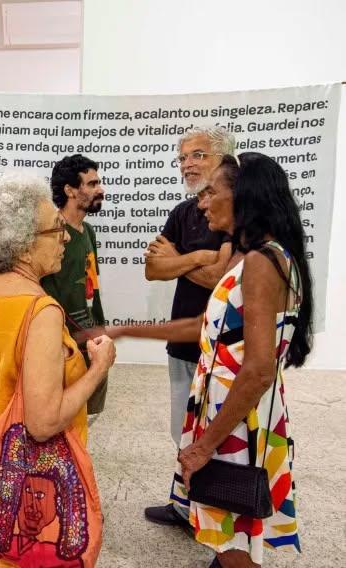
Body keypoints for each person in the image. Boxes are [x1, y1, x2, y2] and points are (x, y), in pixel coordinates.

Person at [109, 153, 312, 567]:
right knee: (231, 537)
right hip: (233, 416)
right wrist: (128, 329)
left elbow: (257, 369)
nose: (202, 204)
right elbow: (208, 327)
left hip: (237, 424)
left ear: (242, 196)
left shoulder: (259, 263)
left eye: (212, 192)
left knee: (234, 536)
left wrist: (204, 446)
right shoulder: (255, 257)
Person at [0, 172, 116, 567]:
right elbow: (42, 423)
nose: (65, 237)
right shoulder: (40, 311)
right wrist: (98, 368)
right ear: (25, 246)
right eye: (55, 230)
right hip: (21, 473)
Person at [143, 126, 235, 527]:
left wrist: (178, 257)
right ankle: (185, 504)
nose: (187, 164)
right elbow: (152, 268)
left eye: (196, 155)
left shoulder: (235, 211)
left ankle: (213, 514)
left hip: (221, 346)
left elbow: (224, 279)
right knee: (180, 428)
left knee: (215, 435)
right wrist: (197, 255)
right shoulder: (182, 212)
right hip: (183, 341)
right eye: (182, 157)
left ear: (222, 159)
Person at [41, 154, 109, 416]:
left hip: (92, 340)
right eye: (91, 184)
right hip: (61, 347)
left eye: (98, 183)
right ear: (69, 190)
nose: (100, 190)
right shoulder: (50, 234)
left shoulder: (88, 231)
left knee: (85, 418)